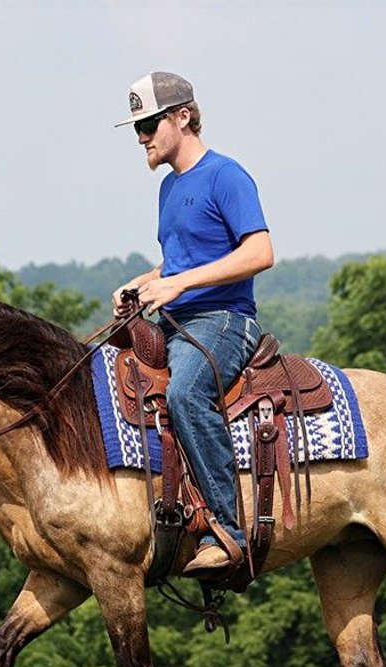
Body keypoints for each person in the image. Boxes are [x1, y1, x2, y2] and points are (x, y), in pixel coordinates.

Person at [112, 71, 275, 577]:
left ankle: (227, 532)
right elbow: (179, 264)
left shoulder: (227, 176)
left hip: (224, 321)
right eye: (135, 128)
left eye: (148, 124)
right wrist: (142, 283)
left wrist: (178, 287)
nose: (141, 137)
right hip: (177, 320)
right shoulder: (169, 189)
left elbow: (260, 251)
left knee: (184, 393)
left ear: (182, 117)